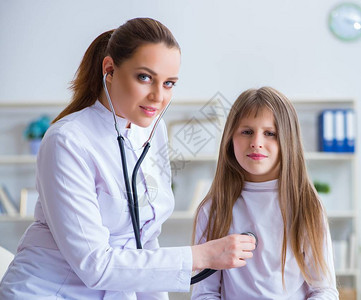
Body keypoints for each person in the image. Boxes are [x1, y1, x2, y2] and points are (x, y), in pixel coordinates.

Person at [0, 18, 257, 300]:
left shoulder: (151, 133)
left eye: (169, 83)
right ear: (109, 70)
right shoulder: (67, 141)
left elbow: (143, 239)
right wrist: (203, 255)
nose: (158, 96)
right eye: (145, 78)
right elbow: (94, 265)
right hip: (46, 292)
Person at [191, 87, 339, 299]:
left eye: (270, 133)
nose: (256, 143)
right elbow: (204, 293)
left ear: (288, 142)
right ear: (230, 139)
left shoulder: (307, 206)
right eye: (247, 132)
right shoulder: (214, 209)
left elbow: (324, 290)